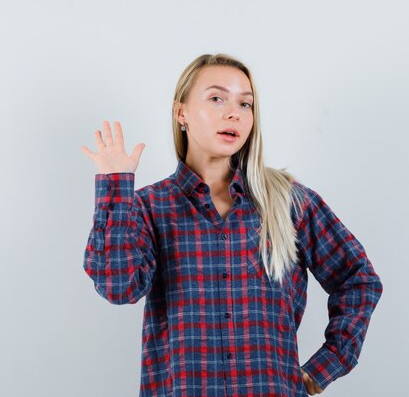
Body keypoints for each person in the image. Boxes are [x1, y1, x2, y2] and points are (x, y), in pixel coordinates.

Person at [80, 53, 383, 397]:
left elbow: (358, 280)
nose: (233, 113)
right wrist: (116, 185)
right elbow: (119, 288)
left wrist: (322, 369)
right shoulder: (149, 207)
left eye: (245, 103)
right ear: (181, 113)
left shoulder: (290, 202)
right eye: (216, 98)